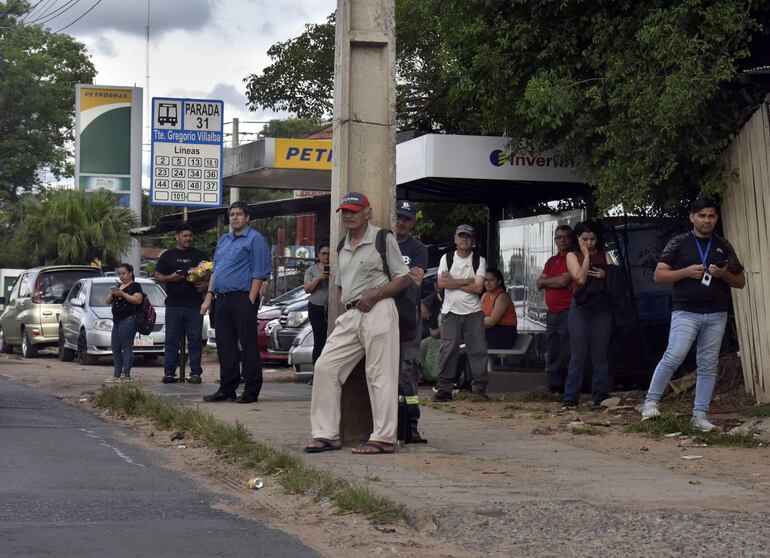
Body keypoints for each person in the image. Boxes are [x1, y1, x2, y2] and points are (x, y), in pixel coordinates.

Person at [304, 192, 410, 455]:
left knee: (380, 374)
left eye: (354, 211)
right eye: (345, 212)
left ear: (367, 212)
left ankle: (384, 438)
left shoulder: (382, 238)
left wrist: (376, 294)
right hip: (351, 313)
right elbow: (340, 287)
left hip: (380, 308)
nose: (349, 216)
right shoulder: (341, 246)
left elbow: (403, 278)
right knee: (325, 366)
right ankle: (326, 434)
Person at [640, 199, 745, 431]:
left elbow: (741, 281)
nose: (707, 220)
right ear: (692, 217)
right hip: (686, 311)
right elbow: (659, 276)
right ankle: (650, 403)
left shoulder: (723, 245)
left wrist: (723, 274)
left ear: (716, 218)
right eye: (702, 216)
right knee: (674, 355)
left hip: (716, 312)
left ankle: (700, 415)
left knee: (708, 365)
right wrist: (686, 272)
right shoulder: (679, 243)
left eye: (711, 216)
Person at [200, 201, 271, 404]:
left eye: (239, 214)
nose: (235, 217)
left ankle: (251, 391)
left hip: (243, 297)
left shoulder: (255, 240)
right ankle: (227, 389)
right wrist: (208, 296)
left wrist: (249, 302)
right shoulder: (224, 240)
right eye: (232, 214)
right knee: (224, 346)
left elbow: (259, 273)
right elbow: (216, 270)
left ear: (247, 217)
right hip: (221, 298)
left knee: (248, 345)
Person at [432, 224, 488, 402]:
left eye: (468, 237)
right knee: (448, 349)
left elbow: (479, 287)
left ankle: (479, 389)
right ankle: (444, 389)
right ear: (455, 239)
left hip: (473, 312)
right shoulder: (446, 258)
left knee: (478, 350)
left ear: (473, 241)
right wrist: (467, 281)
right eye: (461, 236)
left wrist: (453, 282)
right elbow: (442, 284)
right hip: (450, 311)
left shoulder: (479, 260)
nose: (464, 239)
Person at [562, 221, 616, 408]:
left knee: (600, 353)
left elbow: (616, 279)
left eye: (592, 239)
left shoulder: (605, 256)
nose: (589, 243)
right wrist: (586, 257)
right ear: (578, 239)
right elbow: (580, 278)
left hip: (601, 307)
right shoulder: (572, 255)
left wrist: (606, 274)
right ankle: (570, 397)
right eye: (585, 239)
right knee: (578, 353)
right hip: (580, 307)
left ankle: (599, 396)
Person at [155, 224, 209, 384]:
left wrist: (205, 285)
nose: (188, 238)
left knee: (195, 340)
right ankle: (170, 373)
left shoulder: (200, 255)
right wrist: (170, 278)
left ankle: (195, 373)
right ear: (177, 237)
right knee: (171, 339)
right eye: (185, 235)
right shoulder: (167, 256)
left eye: (190, 236)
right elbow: (157, 277)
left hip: (194, 305)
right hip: (173, 305)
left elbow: (211, 273)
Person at [395, 199, 428, 442]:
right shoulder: (383, 244)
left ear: (412, 222)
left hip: (408, 319)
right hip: (383, 315)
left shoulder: (418, 249)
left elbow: (416, 280)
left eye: (406, 218)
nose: (401, 222)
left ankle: (411, 425)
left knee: (408, 370)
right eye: (398, 216)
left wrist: (396, 278)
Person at [536, 225, 574, 396]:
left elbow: (564, 281)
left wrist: (548, 281)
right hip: (552, 312)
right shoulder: (551, 261)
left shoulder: (574, 258)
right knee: (553, 350)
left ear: (571, 239)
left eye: (565, 237)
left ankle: (569, 387)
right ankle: (555, 387)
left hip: (568, 310)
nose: (562, 240)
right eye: (558, 237)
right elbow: (538, 283)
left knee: (568, 350)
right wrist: (554, 280)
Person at [105, 263, 143, 383]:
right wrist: (113, 293)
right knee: (115, 347)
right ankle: (116, 374)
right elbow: (107, 300)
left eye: (124, 273)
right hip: (117, 320)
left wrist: (122, 294)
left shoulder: (135, 286)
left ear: (130, 273)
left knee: (126, 347)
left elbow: (137, 300)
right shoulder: (119, 286)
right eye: (119, 274)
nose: (121, 276)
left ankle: (126, 375)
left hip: (128, 320)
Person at [303, 242, 330, 365]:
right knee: (319, 340)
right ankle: (316, 371)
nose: (326, 257)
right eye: (323, 254)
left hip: (332, 308)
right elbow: (307, 289)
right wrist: (318, 278)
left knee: (332, 340)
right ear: (319, 255)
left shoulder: (337, 268)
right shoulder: (312, 270)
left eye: (329, 254)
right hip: (316, 308)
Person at [482, 268, 517, 349]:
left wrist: (472, 324)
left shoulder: (502, 296)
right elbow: (479, 316)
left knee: (471, 338)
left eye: (491, 280)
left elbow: (492, 321)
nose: (488, 282)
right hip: (491, 331)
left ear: (499, 281)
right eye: (485, 280)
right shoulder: (485, 296)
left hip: (504, 334)